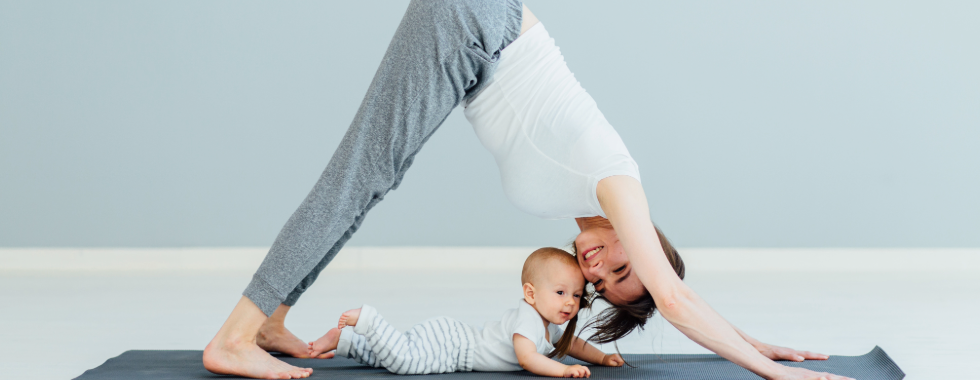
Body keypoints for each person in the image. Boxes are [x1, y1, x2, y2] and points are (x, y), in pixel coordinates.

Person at [203, 1, 853, 379]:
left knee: (373, 180)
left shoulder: (585, 209)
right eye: (623, 263)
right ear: (644, 240)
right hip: (475, 20)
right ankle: (235, 335)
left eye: (602, 283)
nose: (594, 269)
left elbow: (670, 292)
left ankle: (269, 322)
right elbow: (674, 296)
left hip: (474, 36)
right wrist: (770, 371)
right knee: (361, 174)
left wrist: (749, 336)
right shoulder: (617, 182)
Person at [305, 248, 625, 377]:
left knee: (389, 357)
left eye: (575, 295)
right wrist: (563, 372)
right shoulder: (527, 318)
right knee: (404, 362)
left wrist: (601, 358)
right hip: (454, 348)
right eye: (560, 293)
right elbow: (528, 359)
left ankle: (345, 343)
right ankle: (368, 320)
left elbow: (572, 345)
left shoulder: (548, 324)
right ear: (530, 293)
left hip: (453, 340)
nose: (569, 302)